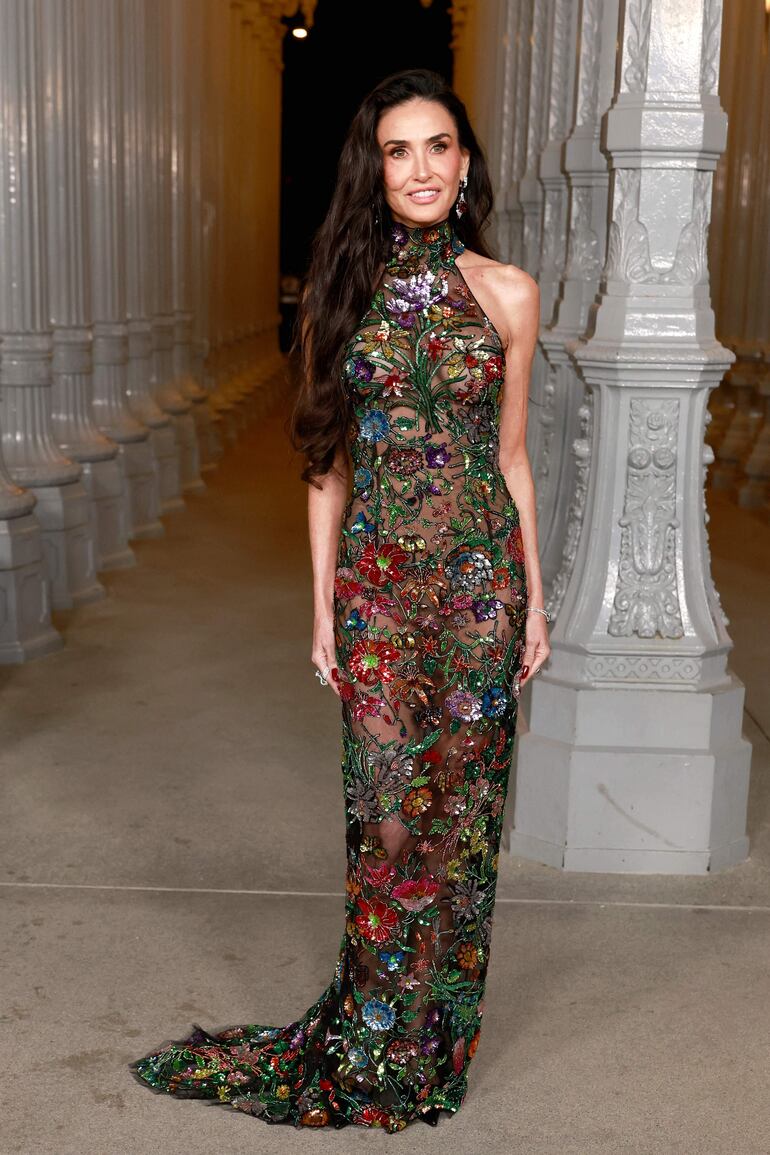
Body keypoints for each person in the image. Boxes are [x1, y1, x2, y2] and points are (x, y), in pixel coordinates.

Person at [129, 67, 550, 1132]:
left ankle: (434, 1054)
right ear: (374, 170)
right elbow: (325, 469)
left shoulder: (506, 293)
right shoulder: (339, 293)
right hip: (375, 590)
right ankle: (369, 1044)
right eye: (397, 150)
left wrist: (534, 603)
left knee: (462, 824)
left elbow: (509, 461)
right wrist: (322, 610)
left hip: (477, 592)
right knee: (385, 825)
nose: (418, 168)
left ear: (463, 166)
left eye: (437, 147)